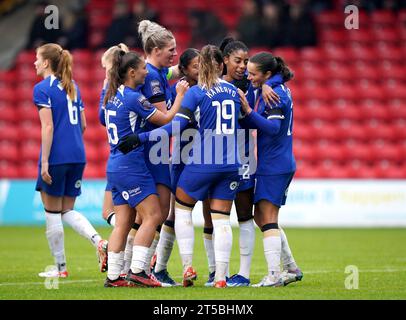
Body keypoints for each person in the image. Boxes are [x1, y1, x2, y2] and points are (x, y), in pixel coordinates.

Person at [118, 45, 242, 288]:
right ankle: (220, 278)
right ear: (220, 65)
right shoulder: (234, 91)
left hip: (203, 161)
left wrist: (141, 138)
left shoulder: (196, 92)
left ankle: (187, 267)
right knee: (222, 220)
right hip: (231, 163)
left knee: (182, 210)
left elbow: (174, 127)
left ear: (203, 66)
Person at [103, 49, 188, 287]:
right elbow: (166, 118)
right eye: (142, 68)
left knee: (123, 223)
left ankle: (114, 276)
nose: (145, 72)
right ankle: (138, 271)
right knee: (153, 215)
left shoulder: (111, 95)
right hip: (131, 165)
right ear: (131, 72)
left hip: (114, 164)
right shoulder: (133, 98)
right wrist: (180, 95)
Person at [33, 43, 107, 278]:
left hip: (56, 156)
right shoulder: (72, 86)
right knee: (67, 210)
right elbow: (84, 125)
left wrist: (45, 162)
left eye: (37, 58)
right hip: (77, 155)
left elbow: (47, 126)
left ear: (46, 63)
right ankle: (98, 241)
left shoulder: (42, 89)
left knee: (52, 213)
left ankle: (60, 268)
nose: (34, 63)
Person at [219, 37, 281, 287]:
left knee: (245, 215)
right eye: (239, 61)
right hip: (215, 158)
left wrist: (272, 83)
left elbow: (280, 72)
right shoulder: (211, 84)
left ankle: (243, 273)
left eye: (246, 61)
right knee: (215, 216)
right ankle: (217, 272)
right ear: (225, 61)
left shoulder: (252, 84)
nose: (244, 66)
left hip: (243, 156)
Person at [238, 52, 303, 287]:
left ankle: (275, 275)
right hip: (277, 162)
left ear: (267, 74)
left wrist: (248, 111)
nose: (249, 77)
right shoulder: (273, 87)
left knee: (267, 217)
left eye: (254, 74)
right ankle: (291, 267)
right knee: (262, 216)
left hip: (274, 165)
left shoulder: (274, 94)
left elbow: (273, 128)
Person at [136, 19, 182, 279]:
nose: (174, 54)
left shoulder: (155, 72)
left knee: (147, 215)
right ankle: (142, 269)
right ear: (155, 51)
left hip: (156, 151)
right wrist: (184, 99)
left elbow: (174, 71)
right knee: (158, 213)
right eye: (171, 50)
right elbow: (165, 118)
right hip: (153, 151)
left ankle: (131, 267)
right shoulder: (152, 78)